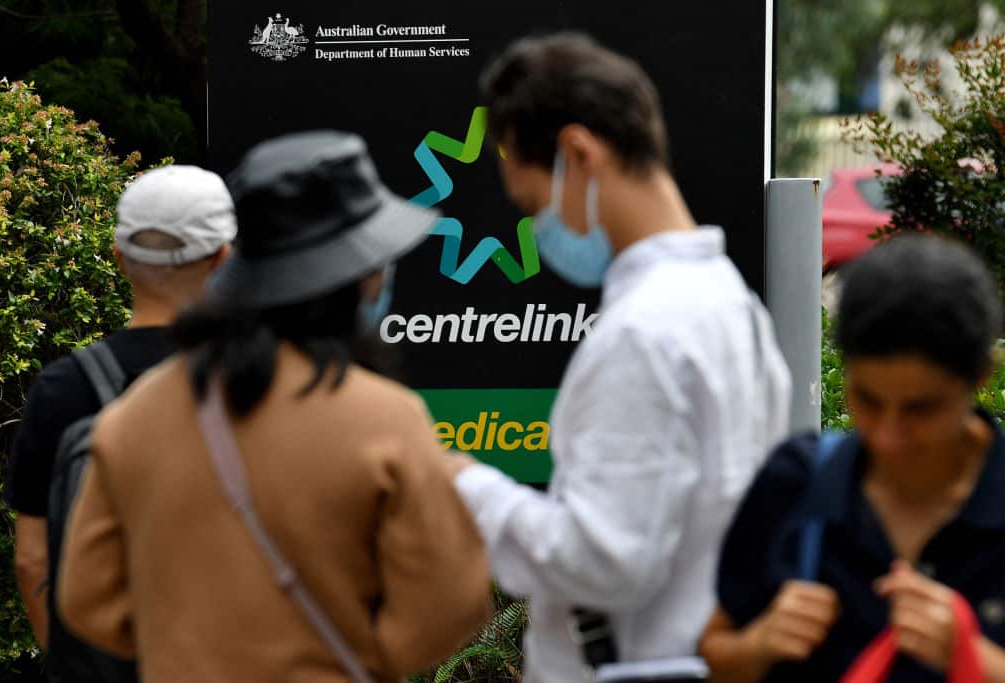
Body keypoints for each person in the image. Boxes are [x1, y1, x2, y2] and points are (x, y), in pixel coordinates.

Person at [56, 131, 492, 683]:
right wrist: (361, 657)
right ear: (360, 276)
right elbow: (449, 606)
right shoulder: (386, 420)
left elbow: (87, 602)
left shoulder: (134, 417)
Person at [445, 33, 792, 681]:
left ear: (578, 154)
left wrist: (464, 483)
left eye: (530, 204)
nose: (534, 228)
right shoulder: (733, 304)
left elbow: (603, 560)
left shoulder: (644, 333)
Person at [700, 235, 1005, 682]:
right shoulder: (796, 483)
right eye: (867, 399)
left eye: (920, 409)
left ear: (980, 378)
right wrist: (759, 644)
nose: (887, 436)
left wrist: (975, 661)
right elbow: (714, 653)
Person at [7, 164, 236, 651]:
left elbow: (31, 560)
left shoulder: (62, 388)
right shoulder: (263, 379)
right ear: (222, 257)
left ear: (119, 257)